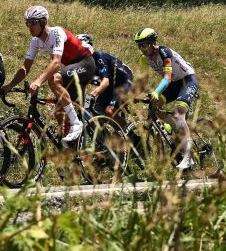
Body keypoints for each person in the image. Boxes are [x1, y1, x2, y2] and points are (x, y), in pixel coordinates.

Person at [1, 5, 95, 143]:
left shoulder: (56, 33)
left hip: (86, 64)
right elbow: (25, 67)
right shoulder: (35, 41)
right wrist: (9, 86)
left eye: (33, 22)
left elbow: (56, 63)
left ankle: (76, 124)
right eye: (27, 23)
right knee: (59, 112)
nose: (30, 27)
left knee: (54, 79)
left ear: (43, 22)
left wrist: (38, 81)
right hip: (72, 69)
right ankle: (72, 148)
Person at [134, 27, 199, 170]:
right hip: (174, 84)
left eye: (144, 45)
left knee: (178, 113)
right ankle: (174, 128)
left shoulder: (164, 52)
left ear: (153, 43)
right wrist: (134, 95)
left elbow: (167, 77)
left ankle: (188, 158)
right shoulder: (144, 59)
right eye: (139, 45)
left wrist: (156, 92)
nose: (142, 49)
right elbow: (142, 81)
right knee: (155, 108)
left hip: (187, 80)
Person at [77, 33, 134, 119]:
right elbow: (83, 83)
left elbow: (105, 82)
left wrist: (92, 94)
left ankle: (126, 131)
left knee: (110, 111)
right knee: (98, 110)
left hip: (124, 80)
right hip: (111, 83)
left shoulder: (98, 56)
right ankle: (109, 131)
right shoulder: (83, 63)